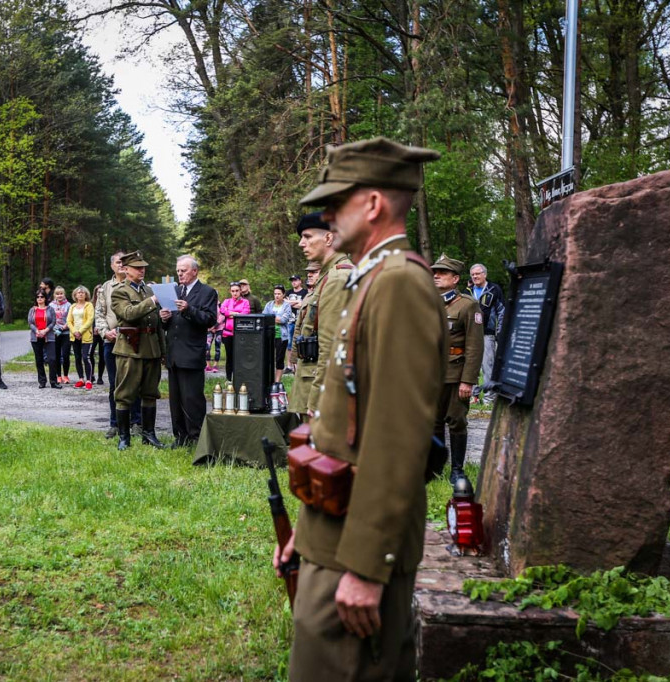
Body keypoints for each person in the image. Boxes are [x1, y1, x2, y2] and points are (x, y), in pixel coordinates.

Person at [274, 137, 446, 682]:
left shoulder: (397, 283)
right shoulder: (370, 277)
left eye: (336, 202)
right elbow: (341, 425)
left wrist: (368, 569)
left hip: (360, 552)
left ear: (372, 204)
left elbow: (397, 439)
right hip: (335, 530)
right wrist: (308, 526)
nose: (325, 215)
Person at [431, 254, 484, 484]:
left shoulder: (468, 305)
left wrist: (468, 381)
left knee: (456, 421)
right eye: (434, 272)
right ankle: (436, 467)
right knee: (433, 423)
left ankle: (457, 469)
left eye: (442, 272)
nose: (436, 276)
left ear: (455, 279)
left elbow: (475, 347)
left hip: (455, 375)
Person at [159, 255, 219, 447]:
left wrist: (189, 309)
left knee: (192, 398)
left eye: (183, 270)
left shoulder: (207, 292)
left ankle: (196, 436)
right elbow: (168, 326)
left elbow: (209, 320)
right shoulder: (175, 290)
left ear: (195, 271)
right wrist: (164, 317)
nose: (180, 273)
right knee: (175, 399)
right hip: (174, 353)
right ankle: (180, 436)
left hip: (192, 352)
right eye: (178, 270)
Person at [111, 251, 167, 450]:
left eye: (143, 267)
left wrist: (163, 350)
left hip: (150, 348)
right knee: (125, 394)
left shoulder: (148, 290)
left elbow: (157, 324)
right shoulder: (120, 291)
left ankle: (149, 435)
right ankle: (124, 437)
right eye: (137, 267)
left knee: (151, 393)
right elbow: (128, 313)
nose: (142, 270)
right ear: (126, 270)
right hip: (130, 349)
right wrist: (152, 302)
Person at [300, 211, 353, 420]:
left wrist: (316, 399)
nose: (301, 244)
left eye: (307, 237)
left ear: (329, 238)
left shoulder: (338, 277)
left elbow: (332, 346)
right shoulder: (328, 275)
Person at [95, 252, 141, 437]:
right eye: (117, 262)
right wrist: (105, 332)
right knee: (115, 384)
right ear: (112, 266)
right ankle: (115, 424)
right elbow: (99, 314)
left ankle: (136, 423)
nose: (121, 264)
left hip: (133, 341)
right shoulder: (105, 288)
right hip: (111, 342)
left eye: (124, 262)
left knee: (134, 382)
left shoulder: (137, 286)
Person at [466, 263, 505, 405]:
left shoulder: (494, 289)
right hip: (469, 334)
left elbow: (502, 312)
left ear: (485, 274)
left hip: (487, 334)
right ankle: (473, 396)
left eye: (478, 273)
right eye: (473, 274)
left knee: (488, 365)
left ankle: (489, 398)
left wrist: (500, 332)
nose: (475, 276)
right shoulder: (467, 291)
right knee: (470, 365)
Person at [288, 261, 321, 420]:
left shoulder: (324, 295)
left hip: (314, 358)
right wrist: (293, 356)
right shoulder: (309, 295)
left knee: (309, 407)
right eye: (309, 272)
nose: (310, 275)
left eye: (314, 272)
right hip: (303, 357)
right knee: (301, 405)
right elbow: (298, 329)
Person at [218, 282, 251, 381]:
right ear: (230, 292)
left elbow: (245, 313)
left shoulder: (245, 302)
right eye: (233, 291)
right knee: (229, 357)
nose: (235, 293)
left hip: (240, 333)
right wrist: (236, 313)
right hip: (227, 334)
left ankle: (240, 379)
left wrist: (231, 313)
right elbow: (223, 310)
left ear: (240, 291)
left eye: (237, 291)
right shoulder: (227, 301)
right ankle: (228, 379)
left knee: (240, 357)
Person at [27, 290, 59, 389]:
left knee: (52, 359)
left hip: (48, 336)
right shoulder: (32, 310)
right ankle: (42, 381)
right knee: (39, 359)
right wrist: (37, 331)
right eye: (38, 297)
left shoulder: (50, 309)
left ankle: (53, 381)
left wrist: (46, 330)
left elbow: (53, 321)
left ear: (45, 298)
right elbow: (30, 322)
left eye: (42, 296)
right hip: (36, 337)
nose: (40, 298)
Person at [263, 285, 294, 383]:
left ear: (283, 294)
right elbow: (264, 317)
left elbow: (284, 319)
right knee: (268, 358)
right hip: (269, 336)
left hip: (281, 336)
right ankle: (268, 379)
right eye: (275, 294)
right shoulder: (269, 304)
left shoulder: (286, 306)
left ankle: (277, 382)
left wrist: (271, 318)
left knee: (279, 359)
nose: (276, 296)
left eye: (279, 294)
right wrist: (275, 318)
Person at [68, 285, 95, 389]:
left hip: (86, 335)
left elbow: (90, 320)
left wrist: (80, 331)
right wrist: (75, 332)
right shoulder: (72, 306)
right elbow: (69, 321)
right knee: (77, 358)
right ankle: (81, 379)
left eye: (82, 292)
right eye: (78, 292)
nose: (80, 294)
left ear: (86, 295)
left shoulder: (89, 305)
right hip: (74, 336)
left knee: (85, 357)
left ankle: (89, 380)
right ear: (75, 295)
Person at [284, 274, 309, 372]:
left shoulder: (305, 292)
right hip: (290, 321)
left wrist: (292, 303)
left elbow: (304, 305)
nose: (293, 282)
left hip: (302, 321)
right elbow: (285, 303)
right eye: (292, 280)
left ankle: (299, 365)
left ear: (300, 281)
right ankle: (289, 366)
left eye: (295, 280)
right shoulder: (288, 292)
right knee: (289, 343)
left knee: (301, 342)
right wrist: (297, 302)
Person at [50, 286, 72, 385]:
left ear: (64, 294)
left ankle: (66, 375)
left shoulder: (69, 305)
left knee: (66, 355)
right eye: (57, 294)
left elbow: (71, 319)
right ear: (54, 295)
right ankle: (58, 376)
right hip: (55, 333)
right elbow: (49, 319)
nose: (59, 295)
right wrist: (54, 329)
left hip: (66, 332)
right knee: (57, 355)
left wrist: (64, 327)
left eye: (61, 293)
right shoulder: (51, 305)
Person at [90, 283, 106, 385]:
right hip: (92, 332)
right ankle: (91, 374)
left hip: (103, 332)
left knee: (102, 355)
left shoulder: (106, 303)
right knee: (90, 353)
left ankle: (100, 376)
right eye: (97, 291)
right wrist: (93, 328)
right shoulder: (91, 304)